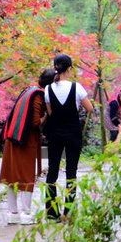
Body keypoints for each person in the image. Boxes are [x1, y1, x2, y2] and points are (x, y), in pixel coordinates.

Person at [0, 68, 55, 224]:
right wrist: (47, 116)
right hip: (25, 140)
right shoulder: (39, 95)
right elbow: (35, 122)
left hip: (11, 137)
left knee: (11, 176)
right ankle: (26, 214)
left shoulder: (29, 90)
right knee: (26, 177)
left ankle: (12, 213)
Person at [43, 54, 94, 220]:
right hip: (73, 133)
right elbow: (90, 108)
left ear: (56, 68)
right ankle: (68, 212)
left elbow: (50, 112)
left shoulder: (48, 89)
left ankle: (51, 213)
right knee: (71, 172)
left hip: (55, 134)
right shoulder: (77, 87)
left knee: (52, 171)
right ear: (70, 68)